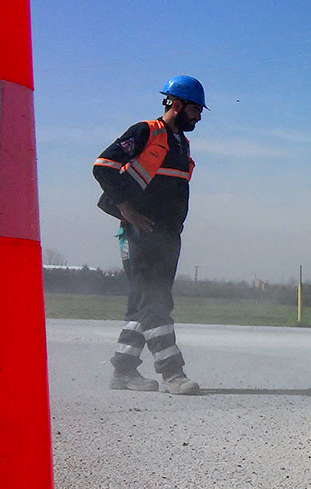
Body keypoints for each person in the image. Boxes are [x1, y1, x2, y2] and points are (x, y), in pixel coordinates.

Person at [93, 75, 206, 395]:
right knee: (156, 301)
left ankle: (124, 372)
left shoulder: (181, 142)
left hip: (167, 235)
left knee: (141, 304)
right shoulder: (146, 131)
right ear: (178, 104)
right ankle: (172, 373)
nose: (198, 117)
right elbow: (103, 166)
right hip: (140, 234)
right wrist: (125, 208)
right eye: (196, 109)